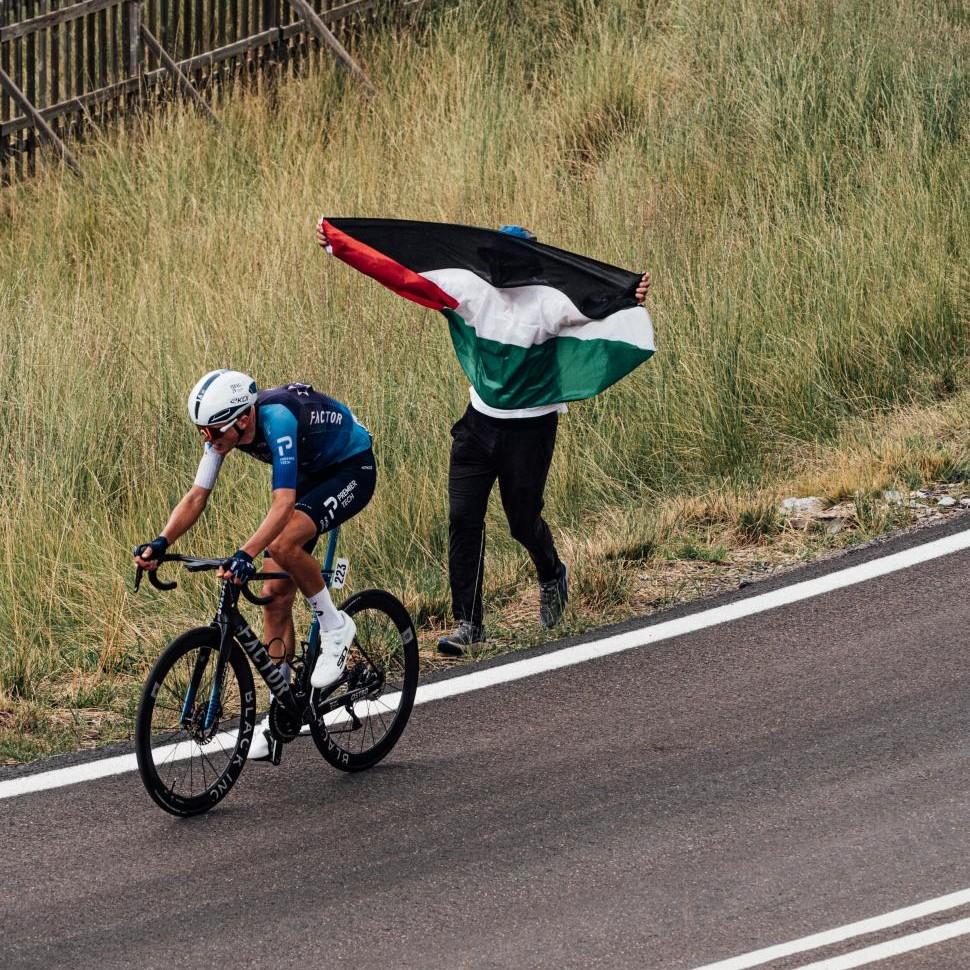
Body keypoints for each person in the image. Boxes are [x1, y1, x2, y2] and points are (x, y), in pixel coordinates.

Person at [314, 219, 650, 656]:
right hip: (478, 425)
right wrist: (340, 244)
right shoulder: (469, 289)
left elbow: (599, 300)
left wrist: (628, 291)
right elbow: (399, 270)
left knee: (522, 521)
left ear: (531, 262)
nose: (503, 268)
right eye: (497, 259)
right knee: (463, 519)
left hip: (530, 431)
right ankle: (469, 623)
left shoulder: (552, 301)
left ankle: (551, 572)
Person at [133, 370, 376, 759]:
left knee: (282, 544)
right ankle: (282, 708)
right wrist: (162, 541)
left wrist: (245, 554)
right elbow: (196, 496)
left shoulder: (278, 419)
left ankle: (336, 627)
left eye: (213, 431)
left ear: (244, 419)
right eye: (202, 431)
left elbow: (283, 503)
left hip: (350, 468)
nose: (207, 439)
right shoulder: (224, 433)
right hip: (311, 472)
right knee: (273, 596)